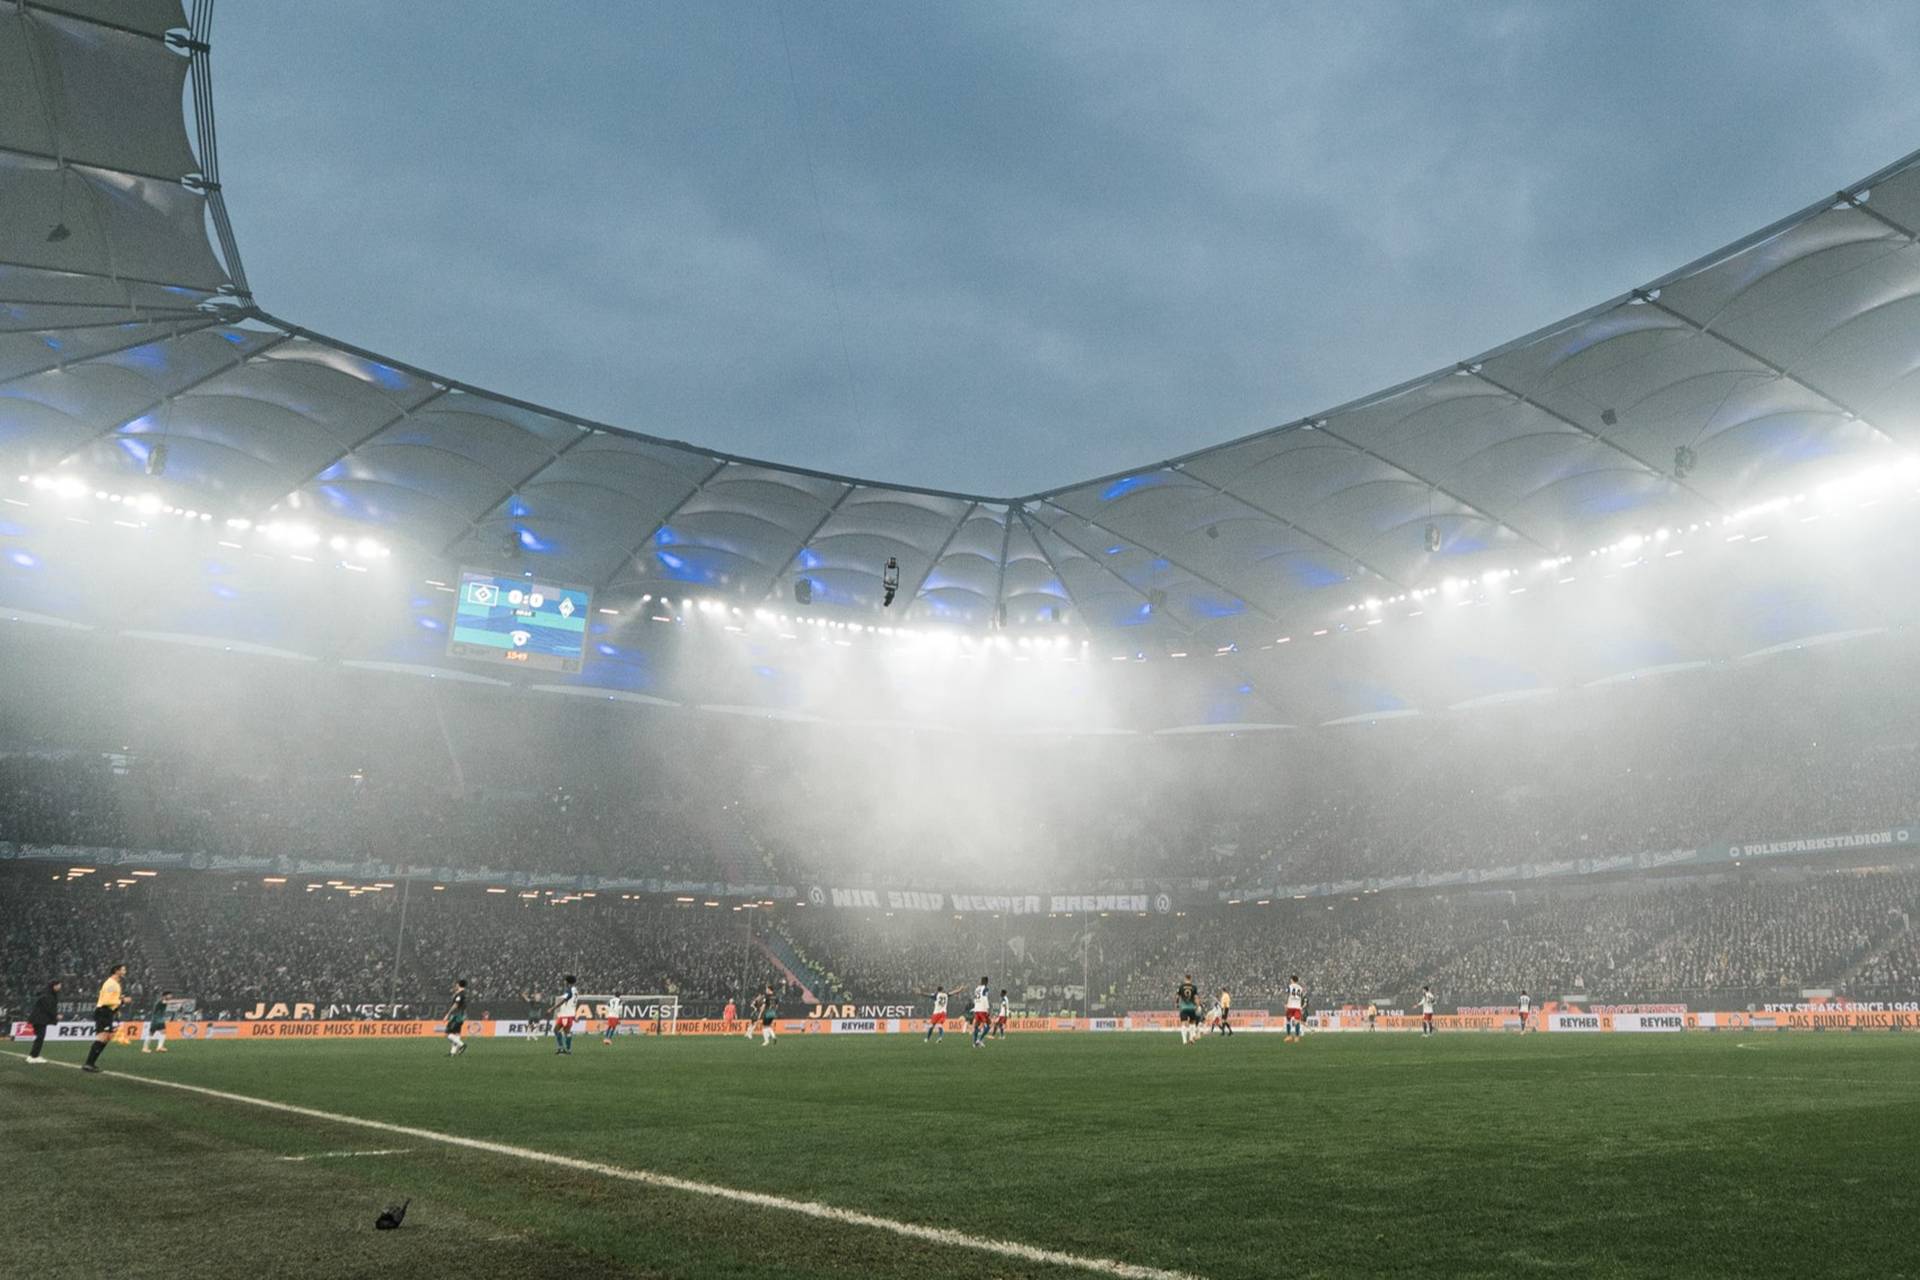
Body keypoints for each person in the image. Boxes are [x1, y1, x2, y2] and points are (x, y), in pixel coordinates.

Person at [81, 963, 126, 1074]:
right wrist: (122, 1001)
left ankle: (91, 1063)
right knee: (102, 1037)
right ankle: (88, 1063)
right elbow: (106, 1001)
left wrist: (118, 1001)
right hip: (103, 1012)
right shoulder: (111, 983)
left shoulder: (115, 983)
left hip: (108, 1012)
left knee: (107, 1037)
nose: (125, 971)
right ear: (117, 971)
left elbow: (110, 999)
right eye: (123, 969)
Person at [25, 979, 60, 1064]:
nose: (60, 987)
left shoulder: (47, 993)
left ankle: (34, 1055)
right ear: (54, 986)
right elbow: (48, 1008)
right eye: (59, 985)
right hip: (39, 1019)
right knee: (40, 1037)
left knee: (40, 1037)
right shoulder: (47, 995)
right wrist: (56, 1015)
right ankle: (33, 1056)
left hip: (39, 1019)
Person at [550, 975, 579, 1056]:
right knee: (565, 1032)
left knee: (558, 1030)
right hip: (569, 1014)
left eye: (565, 981)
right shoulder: (576, 990)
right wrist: (574, 1016)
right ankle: (567, 1049)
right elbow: (572, 1004)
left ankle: (562, 1048)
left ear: (567, 981)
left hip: (565, 1015)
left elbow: (564, 1000)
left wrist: (552, 1008)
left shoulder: (569, 990)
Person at [444, 979, 469, 1056]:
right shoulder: (464, 993)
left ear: (459, 984)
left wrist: (448, 1014)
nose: (455, 985)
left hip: (457, 1016)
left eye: (456, 984)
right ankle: (452, 1052)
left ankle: (462, 1045)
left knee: (448, 1033)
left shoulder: (460, 994)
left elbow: (456, 1005)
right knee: (456, 1034)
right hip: (461, 1016)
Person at [1176, 974, 1201, 1045]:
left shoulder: (1181, 986)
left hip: (1183, 1008)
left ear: (1185, 978)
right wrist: (1197, 1005)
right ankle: (1191, 1039)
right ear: (1191, 978)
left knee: (1183, 1023)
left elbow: (1177, 997)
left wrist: (1177, 1004)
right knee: (1192, 1023)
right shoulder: (1194, 987)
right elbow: (1196, 998)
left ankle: (1184, 1041)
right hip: (1192, 1008)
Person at [970, 977, 992, 1048]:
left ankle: (974, 1043)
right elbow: (985, 998)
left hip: (977, 1009)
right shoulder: (985, 988)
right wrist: (988, 1009)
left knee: (976, 1026)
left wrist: (975, 1008)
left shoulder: (976, 989)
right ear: (986, 982)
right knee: (988, 1026)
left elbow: (975, 999)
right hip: (983, 1010)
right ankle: (979, 1040)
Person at [1284, 975, 1306, 1043]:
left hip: (1290, 1006)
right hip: (1297, 1007)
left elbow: (1286, 994)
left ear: (1292, 980)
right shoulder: (1300, 988)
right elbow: (1302, 997)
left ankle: (1289, 1036)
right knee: (1297, 1022)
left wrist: (1285, 1004)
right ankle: (1297, 1037)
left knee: (1288, 1021)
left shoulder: (1290, 986)